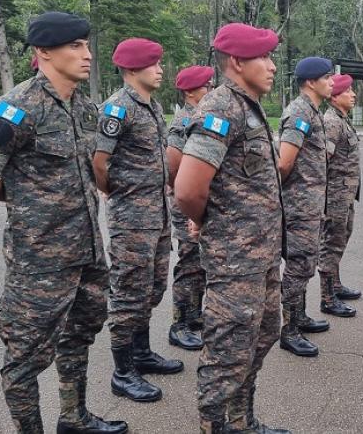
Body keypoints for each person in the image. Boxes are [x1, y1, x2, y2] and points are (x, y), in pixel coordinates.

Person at [0, 11, 127, 434]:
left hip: (86, 251)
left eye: (86, 45)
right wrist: (25, 200)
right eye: (75, 46)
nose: (87, 54)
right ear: (44, 52)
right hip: (40, 260)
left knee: (79, 335)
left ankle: (74, 417)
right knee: (25, 355)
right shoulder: (15, 109)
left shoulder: (84, 108)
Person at [175, 23, 289, 434]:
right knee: (227, 351)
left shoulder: (248, 106)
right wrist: (209, 222)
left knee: (264, 333)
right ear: (238, 62)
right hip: (235, 258)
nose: (272, 66)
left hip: (261, 254)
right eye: (264, 57)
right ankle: (213, 425)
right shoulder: (221, 108)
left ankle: (241, 422)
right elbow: (187, 189)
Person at [93, 37, 183, 403]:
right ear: (131, 68)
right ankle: (123, 371)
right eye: (153, 64)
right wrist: (117, 192)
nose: (160, 70)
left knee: (152, 288)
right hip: (131, 218)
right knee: (129, 293)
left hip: (157, 215)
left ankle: (142, 353)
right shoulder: (118, 108)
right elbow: (99, 162)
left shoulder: (151, 105)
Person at [278, 56, 338, 358]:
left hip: (310, 204)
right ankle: (288, 330)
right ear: (311, 82)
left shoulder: (312, 111)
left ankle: (299, 316)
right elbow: (284, 163)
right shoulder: (299, 112)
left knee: (305, 263)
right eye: (327, 78)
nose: (332, 82)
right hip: (299, 206)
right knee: (298, 265)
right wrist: (291, 198)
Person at [166, 65, 214, 351]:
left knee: (200, 262)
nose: (211, 90)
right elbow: (173, 164)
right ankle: (179, 323)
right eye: (206, 87)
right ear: (190, 92)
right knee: (189, 263)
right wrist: (181, 194)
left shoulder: (203, 117)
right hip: (185, 203)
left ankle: (194, 314)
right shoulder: (183, 121)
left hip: (201, 200)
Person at [317, 73, 362, 314]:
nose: (353, 95)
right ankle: (327, 298)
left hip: (345, 193)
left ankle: (335, 285)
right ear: (335, 97)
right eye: (347, 91)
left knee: (341, 237)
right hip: (335, 195)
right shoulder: (332, 122)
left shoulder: (341, 119)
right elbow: (323, 159)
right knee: (332, 243)